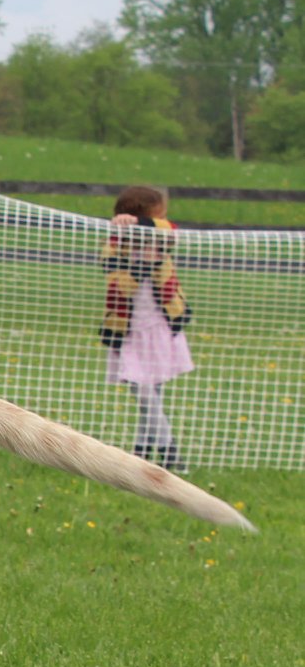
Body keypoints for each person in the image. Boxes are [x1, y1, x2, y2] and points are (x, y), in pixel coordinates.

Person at [102, 184, 193, 470]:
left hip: (160, 327)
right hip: (129, 331)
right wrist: (125, 228)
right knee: (141, 390)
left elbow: (170, 229)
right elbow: (111, 265)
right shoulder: (117, 242)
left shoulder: (161, 236)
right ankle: (169, 451)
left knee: (154, 391)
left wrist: (140, 223)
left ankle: (142, 452)